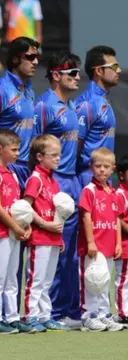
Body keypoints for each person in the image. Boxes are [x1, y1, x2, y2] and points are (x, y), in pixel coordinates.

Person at [33, 50, 81, 330]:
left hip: (71, 180)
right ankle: (47, 311)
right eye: (71, 73)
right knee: (54, 249)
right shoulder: (44, 105)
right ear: (55, 75)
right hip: (53, 182)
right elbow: (35, 147)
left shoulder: (71, 106)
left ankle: (67, 310)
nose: (77, 77)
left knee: (71, 250)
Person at [0, 129, 35, 334]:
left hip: (15, 232)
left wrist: (26, 224)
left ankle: (12, 316)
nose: (17, 153)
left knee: (13, 276)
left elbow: (19, 205)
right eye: (13, 149)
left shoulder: (12, 172)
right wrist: (15, 226)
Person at [22, 134, 65, 333]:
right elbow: (25, 207)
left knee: (47, 280)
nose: (58, 158)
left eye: (59, 155)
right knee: (36, 279)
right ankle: (30, 316)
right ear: (39, 157)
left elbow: (57, 211)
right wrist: (45, 225)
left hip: (53, 238)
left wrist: (59, 236)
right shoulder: (36, 178)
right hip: (39, 237)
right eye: (53, 155)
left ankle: (44, 315)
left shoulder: (53, 181)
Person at [77, 148, 123, 332]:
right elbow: (86, 217)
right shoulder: (89, 191)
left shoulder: (114, 193)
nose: (102, 170)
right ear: (91, 167)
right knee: (91, 280)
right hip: (94, 246)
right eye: (98, 166)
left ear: (113, 169)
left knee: (104, 280)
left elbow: (117, 219)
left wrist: (118, 242)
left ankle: (103, 314)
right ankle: (88, 316)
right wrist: (90, 242)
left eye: (106, 166)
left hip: (110, 245)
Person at [0, 36, 40, 190]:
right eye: (30, 57)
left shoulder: (29, 90)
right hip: (6, 168)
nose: (35, 62)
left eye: (37, 57)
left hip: (26, 168)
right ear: (16, 59)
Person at [76, 46, 120, 187]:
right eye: (114, 66)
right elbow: (75, 145)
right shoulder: (88, 103)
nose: (118, 70)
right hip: (88, 179)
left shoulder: (103, 100)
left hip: (104, 178)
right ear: (99, 71)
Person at [115, 156, 128, 326]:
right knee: (123, 280)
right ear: (121, 175)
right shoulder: (119, 194)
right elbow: (117, 219)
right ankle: (122, 313)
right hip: (124, 245)